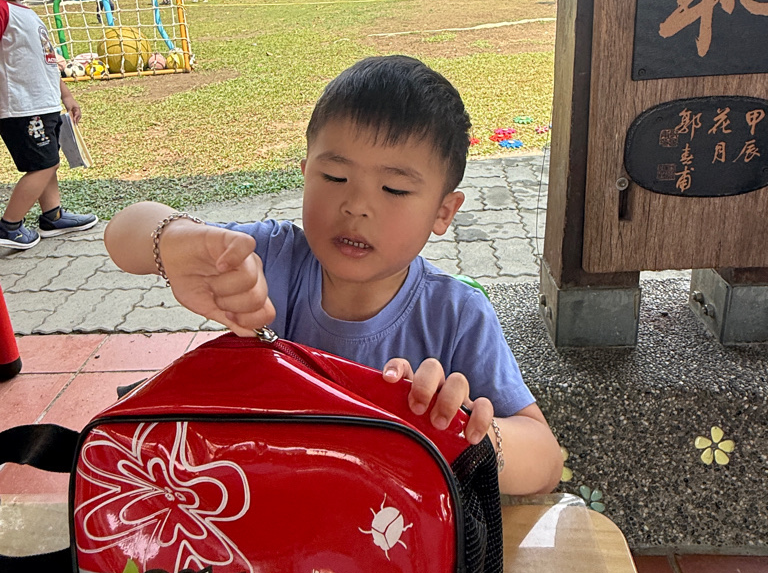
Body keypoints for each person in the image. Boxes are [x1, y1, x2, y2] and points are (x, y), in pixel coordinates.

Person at [104, 55, 562, 495]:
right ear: (306, 173)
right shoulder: (269, 259)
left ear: (443, 211)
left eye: (394, 188)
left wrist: (470, 435)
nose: (356, 206)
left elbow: (546, 461)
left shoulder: (456, 316)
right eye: (335, 177)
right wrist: (174, 240)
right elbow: (124, 233)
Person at [0, 0, 98, 251]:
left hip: (42, 103)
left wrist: (65, 95)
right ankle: (9, 226)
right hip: (21, 108)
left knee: (48, 160)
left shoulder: (23, 10)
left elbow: (46, 62)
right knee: (42, 165)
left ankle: (52, 216)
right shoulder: (2, 10)